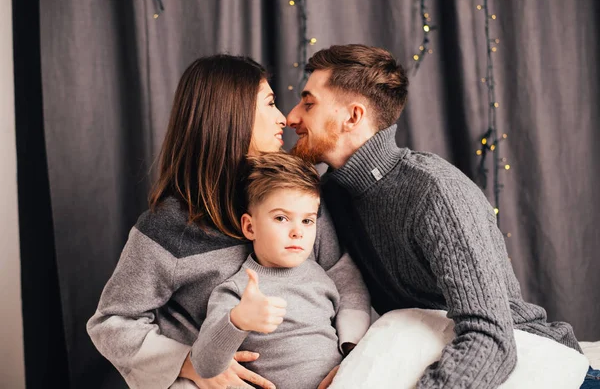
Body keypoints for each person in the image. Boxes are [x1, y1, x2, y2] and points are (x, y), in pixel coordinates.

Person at [286, 44, 600, 388]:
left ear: (353, 116)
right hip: (432, 354)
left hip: (536, 364)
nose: (291, 117)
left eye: (309, 103)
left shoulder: (433, 191)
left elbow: (490, 338)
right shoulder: (328, 196)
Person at [87, 54, 370, 389]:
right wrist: (189, 364)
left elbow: (344, 276)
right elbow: (112, 321)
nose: (283, 119)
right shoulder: (168, 228)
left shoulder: (292, 197)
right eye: (269, 103)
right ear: (230, 114)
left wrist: (352, 357)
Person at [193, 152, 366, 389]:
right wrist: (238, 320)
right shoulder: (239, 291)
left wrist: (349, 365)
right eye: (282, 218)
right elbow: (204, 365)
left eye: (307, 221)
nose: (298, 232)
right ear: (250, 227)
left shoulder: (321, 277)